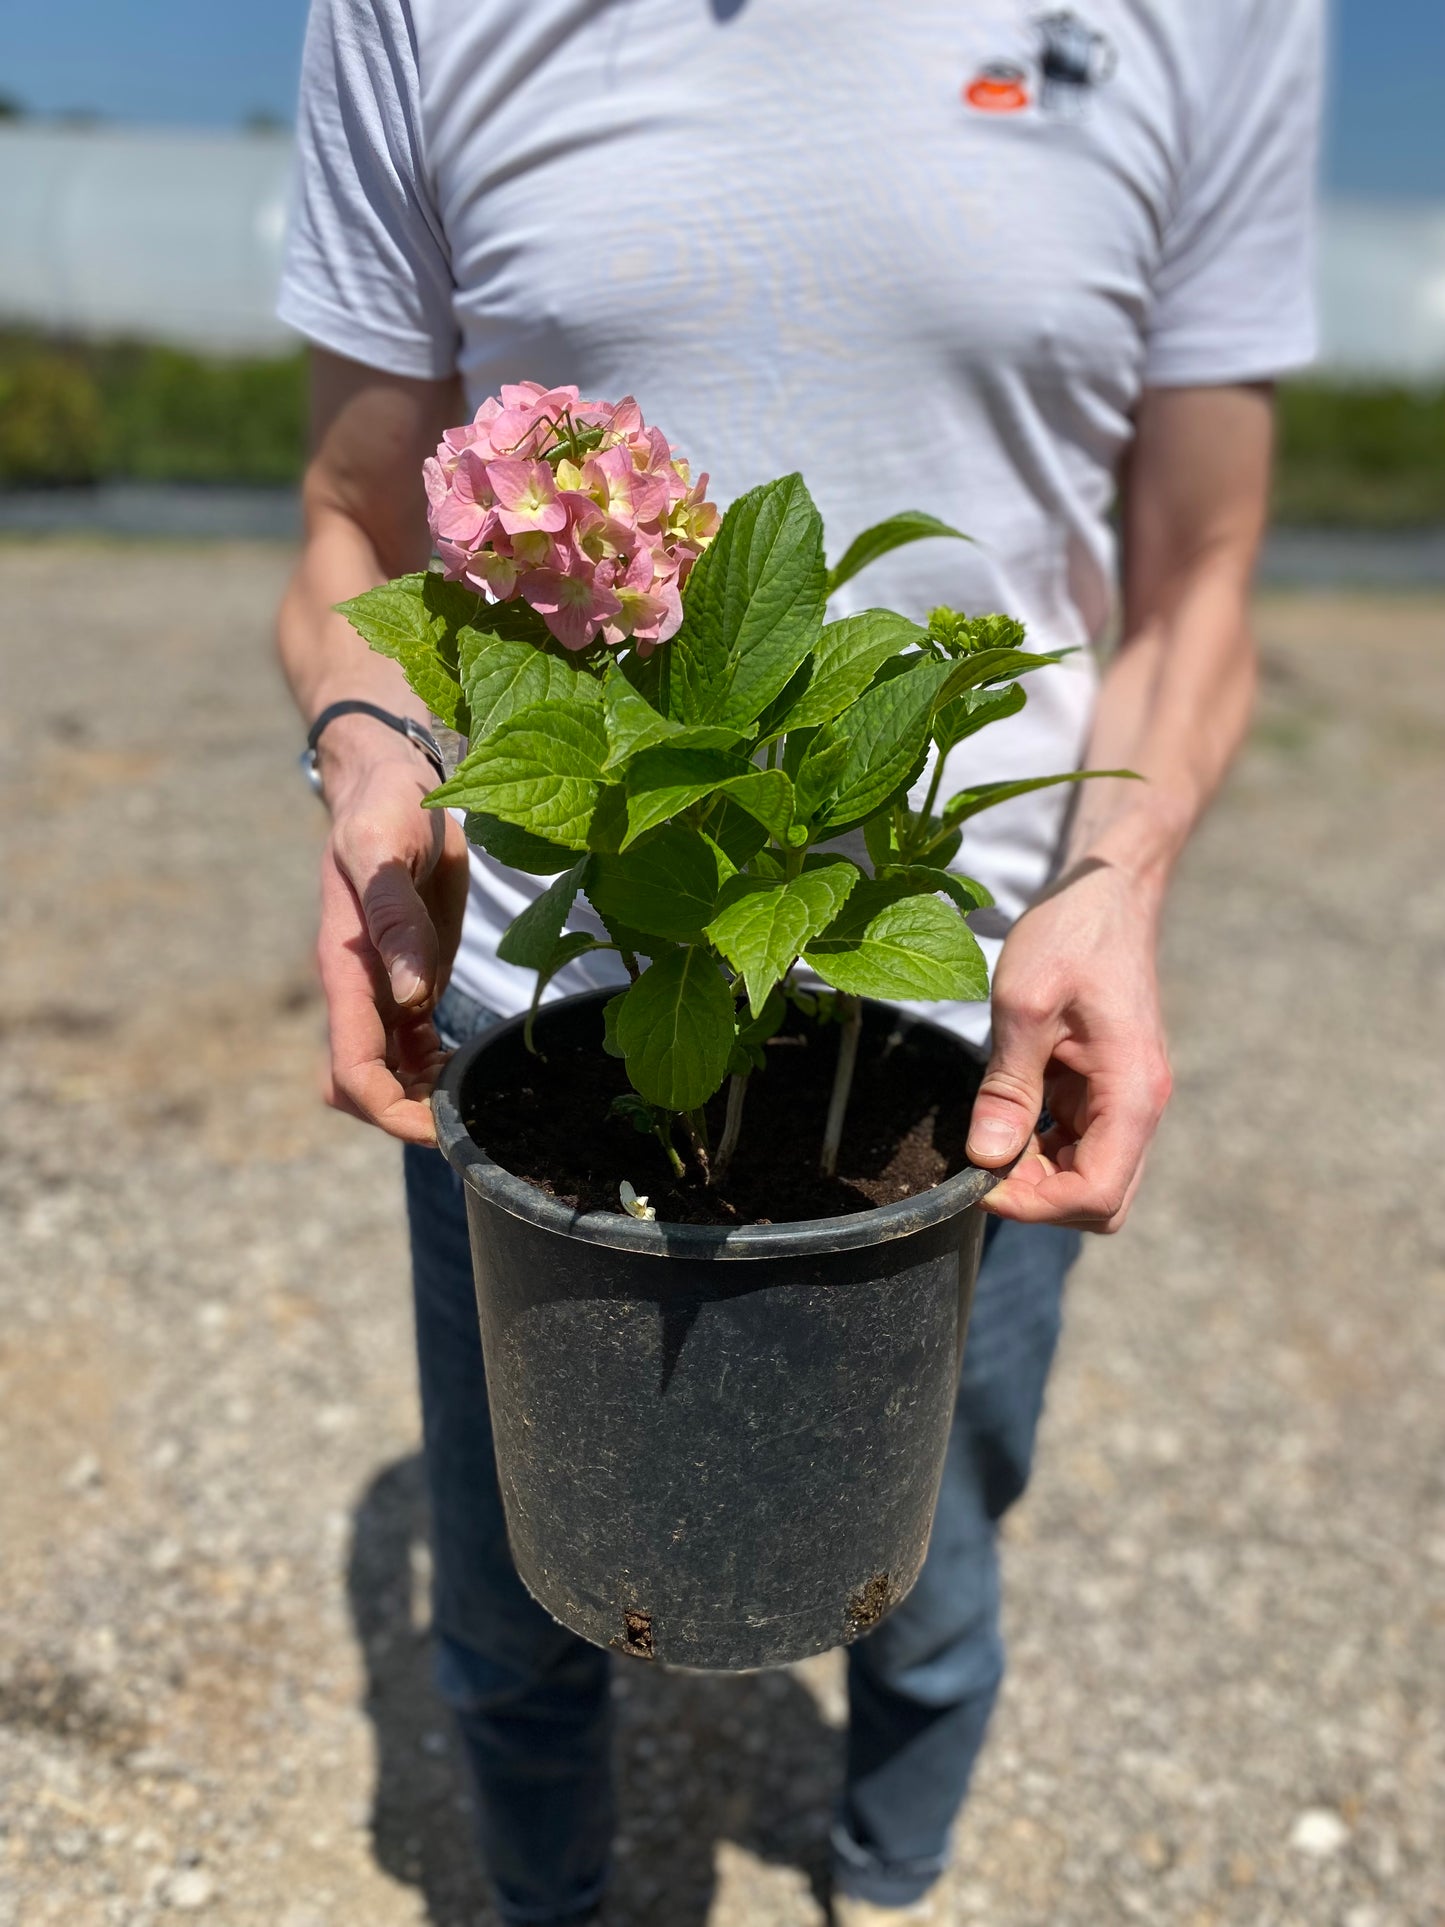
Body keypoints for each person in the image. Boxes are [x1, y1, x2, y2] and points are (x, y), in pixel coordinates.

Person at [275, 3, 1322, 1920]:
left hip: (966, 1021)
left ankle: (886, 1877)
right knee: (515, 1598)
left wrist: (1119, 878)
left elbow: (1201, 578)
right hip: (532, 997)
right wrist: (376, 767)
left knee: (931, 1576)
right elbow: (352, 531)